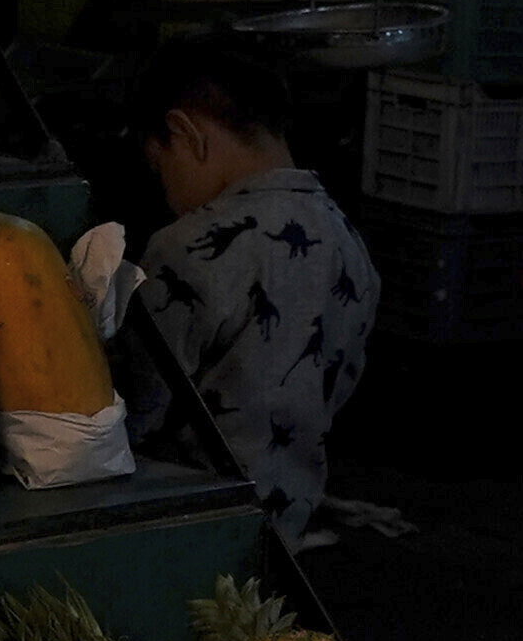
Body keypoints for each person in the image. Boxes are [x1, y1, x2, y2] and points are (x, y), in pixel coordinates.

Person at [120, 41, 382, 545]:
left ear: (185, 134)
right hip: (287, 524)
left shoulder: (186, 247)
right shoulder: (348, 242)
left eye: (159, 167)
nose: (165, 190)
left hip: (181, 527)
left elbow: (135, 409)